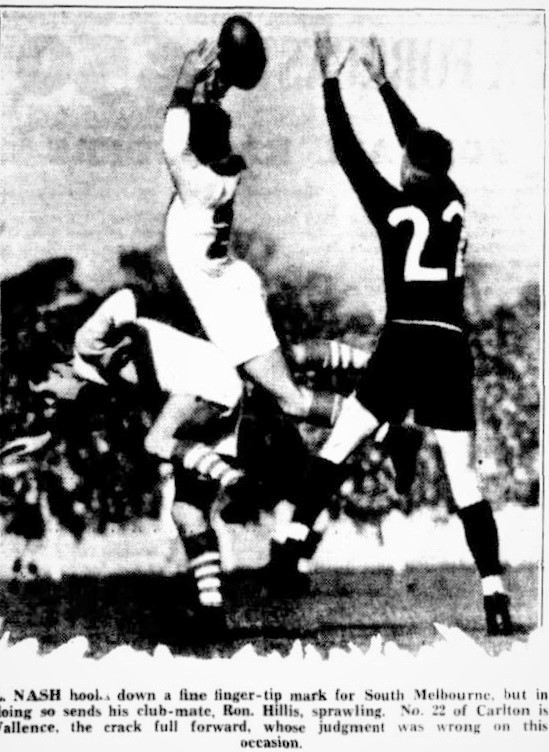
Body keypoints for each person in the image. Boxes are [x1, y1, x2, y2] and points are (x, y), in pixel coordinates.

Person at [293, 32, 511, 636]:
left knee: (343, 438)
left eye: (405, 159)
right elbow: (418, 146)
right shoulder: (455, 200)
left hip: (405, 338)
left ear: (410, 169)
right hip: (450, 342)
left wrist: (331, 82)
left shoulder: (392, 210)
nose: (398, 159)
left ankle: (288, 541)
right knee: (465, 479)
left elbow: (348, 151)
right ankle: (493, 590)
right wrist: (384, 85)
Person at [31, 287, 251, 634]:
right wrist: (41, 438)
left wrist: (133, 345)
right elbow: (68, 416)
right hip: (212, 393)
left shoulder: (87, 343)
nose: (48, 403)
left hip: (204, 378)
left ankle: (232, 478)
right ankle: (213, 611)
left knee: (155, 441)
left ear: (59, 370)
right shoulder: (96, 382)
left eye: (47, 394)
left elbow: (125, 299)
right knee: (187, 511)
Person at [162, 31, 342, 430]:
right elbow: (200, 126)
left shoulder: (199, 183)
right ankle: (360, 366)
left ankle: (385, 429)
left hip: (226, 302)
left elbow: (174, 143)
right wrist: (213, 83)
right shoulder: (220, 168)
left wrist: (185, 78)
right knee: (279, 368)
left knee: (291, 400)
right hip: (232, 285)